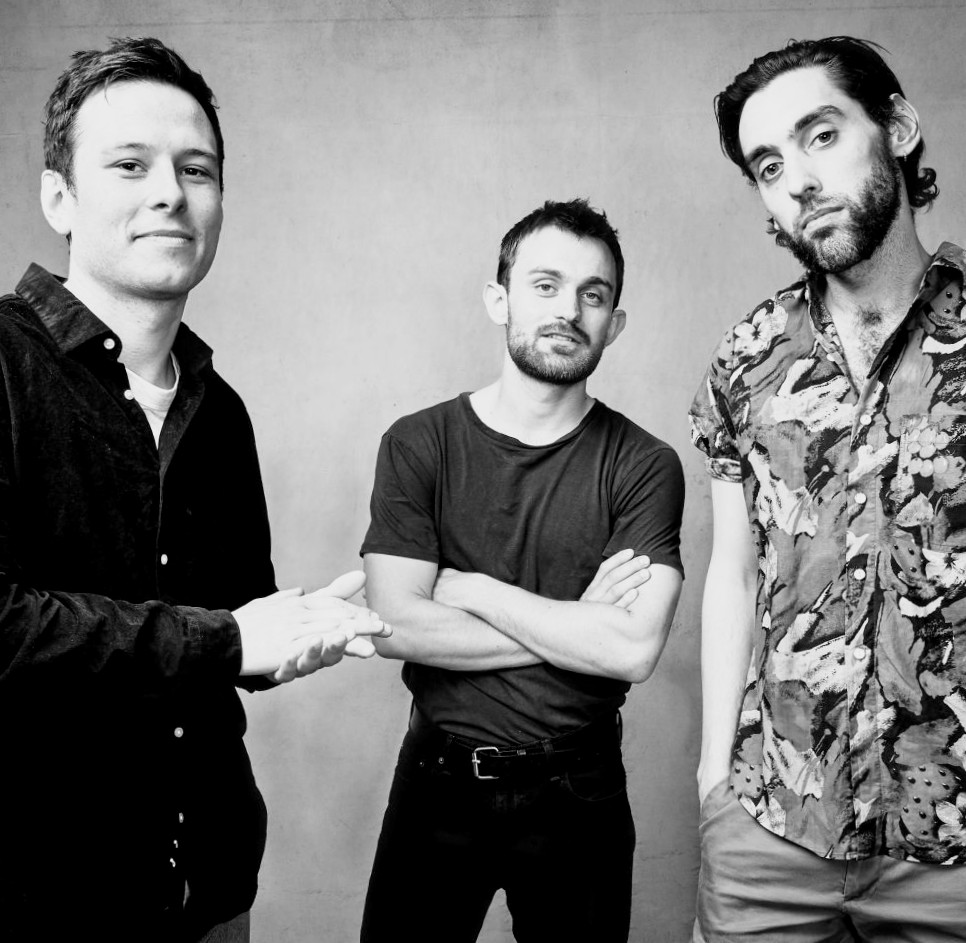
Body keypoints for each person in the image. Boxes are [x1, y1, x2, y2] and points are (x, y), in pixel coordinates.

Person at [0, 37, 390, 942]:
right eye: (129, 165)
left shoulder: (222, 412)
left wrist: (287, 638)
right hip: (40, 895)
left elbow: (226, 631)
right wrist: (230, 638)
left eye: (197, 168)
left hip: (208, 889)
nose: (170, 193)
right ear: (59, 197)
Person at [690, 35, 966, 942]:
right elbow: (734, 573)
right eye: (769, 166)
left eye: (821, 135)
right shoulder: (747, 356)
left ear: (898, 128)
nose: (799, 181)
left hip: (955, 846)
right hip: (772, 824)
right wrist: (713, 779)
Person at [359, 198, 684, 942]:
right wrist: (576, 624)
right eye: (545, 285)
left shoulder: (644, 465)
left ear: (614, 323)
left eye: (593, 294)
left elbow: (632, 650)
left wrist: (473, 590)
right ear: (498, 299)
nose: (569, 309)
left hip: (580, 792)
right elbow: (394, 625)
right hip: (438, 782)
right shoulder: (419, 444)